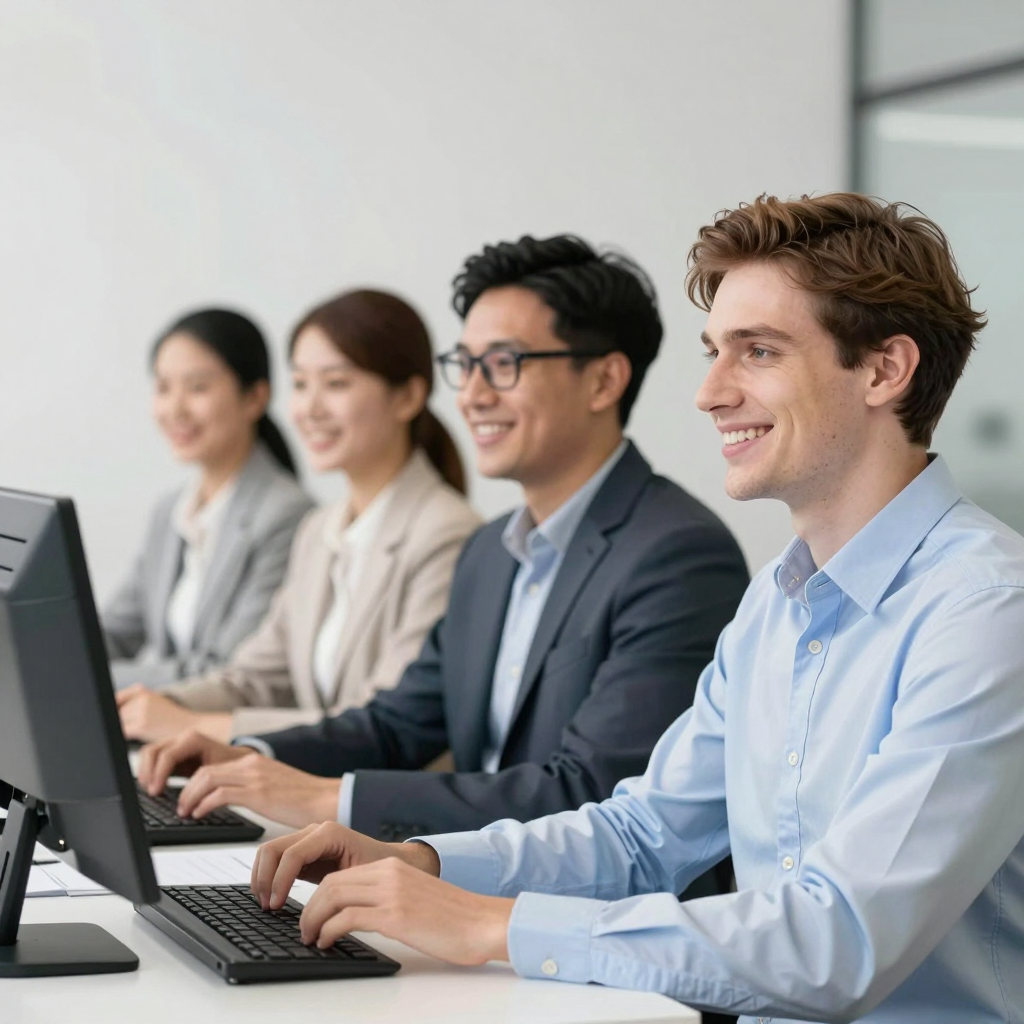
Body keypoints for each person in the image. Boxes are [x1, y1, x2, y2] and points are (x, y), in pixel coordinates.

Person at [244, 195, 1024, 1024]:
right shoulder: (776, 602)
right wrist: (427, 863)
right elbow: (642, 835)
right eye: (714, 352)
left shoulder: (985, 614)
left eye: (757, 351)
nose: (709, 392)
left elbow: (839, 942)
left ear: (883, 370)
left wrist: (491, 925)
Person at [138, 234, 749, 853]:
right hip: (461, 885)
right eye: (466, 364)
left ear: (603, 381)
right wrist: (248, 755)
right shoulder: (490, 552)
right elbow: (398, 724)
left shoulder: (677, 556)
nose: (472, 395)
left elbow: (590, 792)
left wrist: (326, 800)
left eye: (505, 364)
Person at [117, 290, 481, 742]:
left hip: (373, 805)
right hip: (297, 793)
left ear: (407, 397)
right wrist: (156, 706)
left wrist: (197, 726)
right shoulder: (320, 530)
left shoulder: (447, 534)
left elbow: (382, 723)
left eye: (336, 384)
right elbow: (255, 678)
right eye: (302, 384)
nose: (309, 409)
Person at [102, 309, 314, 690]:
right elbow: (115, 633)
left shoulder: (287, 516)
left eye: (197, 388)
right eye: (163, 388)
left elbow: (227, 671)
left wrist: (93, 679)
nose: (175, 408)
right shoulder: (170, 512)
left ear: (255, 398)